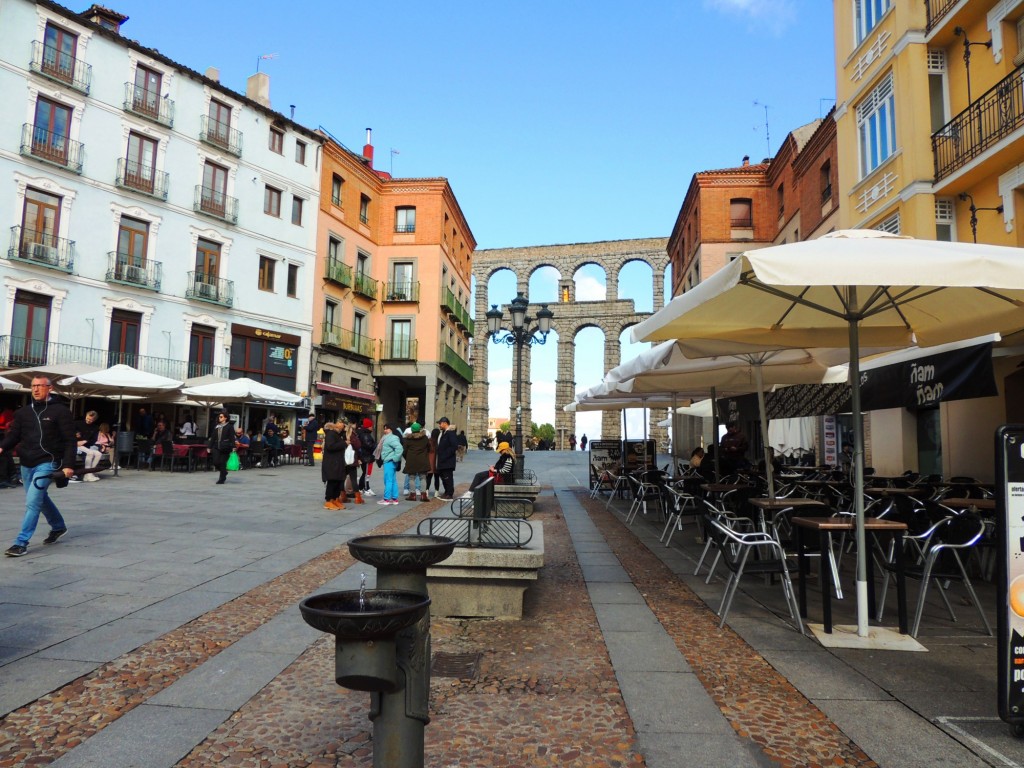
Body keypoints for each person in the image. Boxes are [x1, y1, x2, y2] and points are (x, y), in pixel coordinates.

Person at [0, 377, 76, 556]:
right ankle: (58, 526)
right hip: (27, 462)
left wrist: (68, 465)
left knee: (33, 502)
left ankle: (21, 543)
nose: (35, 389)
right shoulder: (23, 412)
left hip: (48, 462)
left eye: (39, 386)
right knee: (39, 498)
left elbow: (70, 441)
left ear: (49, 388)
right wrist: (2, 447)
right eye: (33, 386)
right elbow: (14, 435)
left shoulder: (61, 411)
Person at [321, 422, 347, 510]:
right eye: (340, 425)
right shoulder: (331, 434)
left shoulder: (336, 434)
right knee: (332, 481)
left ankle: (335, 499)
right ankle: (328, 500)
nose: (342, 426)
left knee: (338, 481)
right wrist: (343, 444)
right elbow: (330, 446)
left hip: (337, 462)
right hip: (332, 463)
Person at [402, 422, 431, 501]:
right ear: (420, 429)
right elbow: (429, 448)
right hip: (423, 460)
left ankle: (413, 495)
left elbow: (404, 451)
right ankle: (423, 495)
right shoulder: (425, 438)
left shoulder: (408, 439)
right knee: (423, 477)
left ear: (411, 430)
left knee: (411, 477)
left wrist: (407, 458)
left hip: (411, 460)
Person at [378, 423, 404, 505]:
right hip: (390, 460)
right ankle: (394, 499)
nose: (385, 430)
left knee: (388, 480)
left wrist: (395, 458)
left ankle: (386, 499)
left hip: (389, 461)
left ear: (391, 429)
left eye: (387, 428)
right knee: (393, 480)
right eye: (384, 428)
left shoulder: (391, 438)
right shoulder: (389, 437)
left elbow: (399, 448)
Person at [73, 410, 103, 482]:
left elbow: (94, 440)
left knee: (99, 454)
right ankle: (88, 474)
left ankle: (89, 473)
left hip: (86, 445)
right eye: (87, 418)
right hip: (75, 445)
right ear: (86, 416)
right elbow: (69, 432)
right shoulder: (77, 423)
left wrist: (85, 441)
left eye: (91, 420)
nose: (88, 420)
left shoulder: (95, 428)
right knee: (90, 453)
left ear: (94, 420)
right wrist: (75, 436)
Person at [209, 411, 236, 484]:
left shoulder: (229, 427)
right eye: (219, 417)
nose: (219, 418)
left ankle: (221, 479)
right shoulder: (217, 426)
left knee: (222, 463)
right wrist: (209, 447)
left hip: (225, 447)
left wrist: (233, 447)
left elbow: (232, 437)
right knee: (215, 462)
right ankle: (224, 472)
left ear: (225, 418)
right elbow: (213, 437)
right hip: (216, 447)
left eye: (221, 417)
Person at [435, 416, 458, 500]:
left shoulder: (451, 433)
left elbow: (454, 446)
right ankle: (446, 492)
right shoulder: (443, 433)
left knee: (448, 477)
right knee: (443, 476)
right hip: (442, 460)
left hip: (448, 460)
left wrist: (445, 455)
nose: (439, 425)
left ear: (445, 423)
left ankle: (449, 493)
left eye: (440, 423)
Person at [339, 422, 362, 504]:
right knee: (353, 479)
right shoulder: (353, 435)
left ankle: (343, 496)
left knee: (342, 479)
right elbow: (358, 446)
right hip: (352, 461)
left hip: (343, 460)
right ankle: (358, 498)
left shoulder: (341, 435)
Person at [356, 417, 376, 496]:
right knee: (366, 473)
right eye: (371, 426)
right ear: (368, 426)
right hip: (366, 457)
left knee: (365, 473)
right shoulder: (365, 435)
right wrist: (376, 445)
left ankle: (363, 487)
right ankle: (364, 488)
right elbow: (369, 445)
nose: (372, 427)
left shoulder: (363, 433)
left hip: (364, 456)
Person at [426, 426, 441, 497]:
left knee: (428, 477)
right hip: (437, 462)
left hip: (430, 462)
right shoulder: (439, 442)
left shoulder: (429, 441)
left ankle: (426, 491)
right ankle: (436, 492)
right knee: (437, 478)